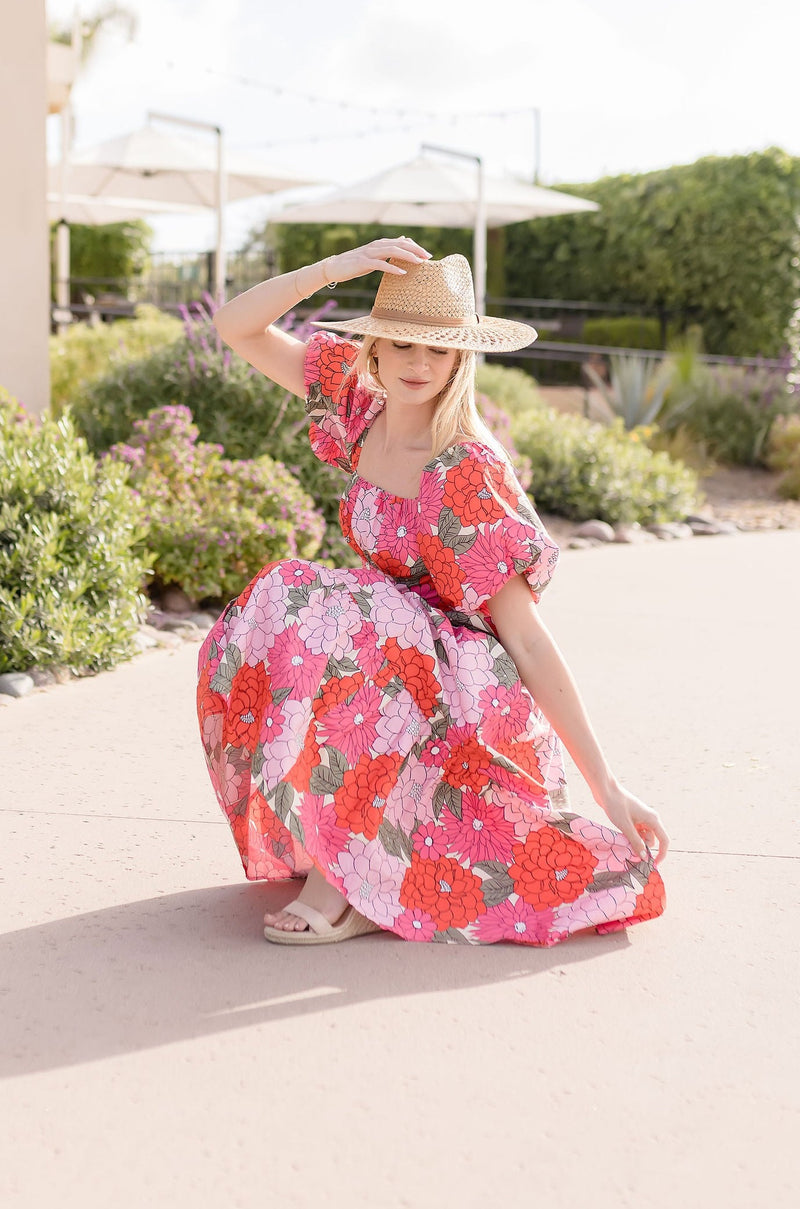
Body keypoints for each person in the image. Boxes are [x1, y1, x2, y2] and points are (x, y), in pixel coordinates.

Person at [197, 237, 668, 946]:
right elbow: (235, 325)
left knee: (349, 611)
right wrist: (335, 270)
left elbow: (527, 636)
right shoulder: (358, 408)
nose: (419, 364)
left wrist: (607, 784)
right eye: (403, 344)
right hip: (376, 657)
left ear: (459, 360)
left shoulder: (464, 469)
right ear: (374, 349)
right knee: (286, 595)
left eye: (439, 349)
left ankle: (345, 883)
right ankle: (336, 838)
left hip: (463, 684)